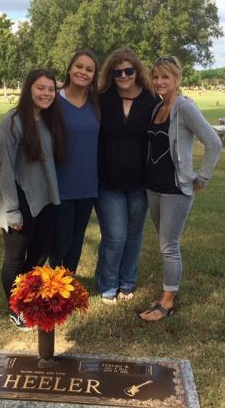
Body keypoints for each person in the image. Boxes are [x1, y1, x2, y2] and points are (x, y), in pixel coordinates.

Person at [139, 55, 221, 322]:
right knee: (164, 244)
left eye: (166, 77)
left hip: (175, 189)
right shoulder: (157, 107)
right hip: (153, 187)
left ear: (177, 79)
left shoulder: (185, 108)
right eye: (156, 76)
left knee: (169, 246)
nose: (160, 82)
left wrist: (202, 178)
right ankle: (166, 293)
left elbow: (213, 142)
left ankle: (167, 302)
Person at [0, 69, 66, 330]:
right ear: (29, 89)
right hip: (19, 199)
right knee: (15, 258)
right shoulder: (11, 123)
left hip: (46, 198)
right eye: (41, 88)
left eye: (51, 89)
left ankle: (26, 299)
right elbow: (5, 171)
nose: (46, 93)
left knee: (40, 253)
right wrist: (12, 211)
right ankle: (16, 309)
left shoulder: (50, 121)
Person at [95, 47, 159, 304]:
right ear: (110, 74)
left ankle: (127, 282)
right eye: (117, 72)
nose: (123, 75)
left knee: (133, 236)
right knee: (115, 237)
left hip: (140, 183)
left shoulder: (151, 100)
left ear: (137, 71)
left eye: (128, 71)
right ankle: (108, 285)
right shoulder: (101, 98)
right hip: (107, 181)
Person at [49, 50, 100, 273]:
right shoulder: (54, 100)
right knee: (60, 239)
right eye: (79, 66)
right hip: (59, 184)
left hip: (87, 185)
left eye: (89, 69)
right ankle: (54, 283)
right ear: (70, 69)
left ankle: (68, 283)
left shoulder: (97, 103)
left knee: (77, 239)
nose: (83, 72)